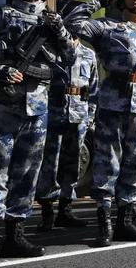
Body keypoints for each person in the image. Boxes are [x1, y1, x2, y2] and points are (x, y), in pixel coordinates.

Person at [65, 0, 136, 247]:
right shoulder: (106, 27)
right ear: (122, 1)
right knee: (107, 163)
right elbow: (72, 23)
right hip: (112, 104)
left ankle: (125, 222)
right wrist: (99, 2)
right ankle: (104, 224)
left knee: (134, 163)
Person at [0, 0, 75, 257]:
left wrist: (61, 31)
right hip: (4, 104)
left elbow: (69, 58)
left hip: (37, 107)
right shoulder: (2, 15)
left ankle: (15, 234)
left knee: (28, 172)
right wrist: (0, 70)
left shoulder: (53, 22)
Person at [35, 26, 98, 231]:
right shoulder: (51, 50)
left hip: (79, 115)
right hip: (54, 113)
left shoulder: (89, 55)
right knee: (49, 164)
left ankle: (65, 211)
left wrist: (89, 116)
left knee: (72, 164)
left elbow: (94, 89)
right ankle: (46, 214)